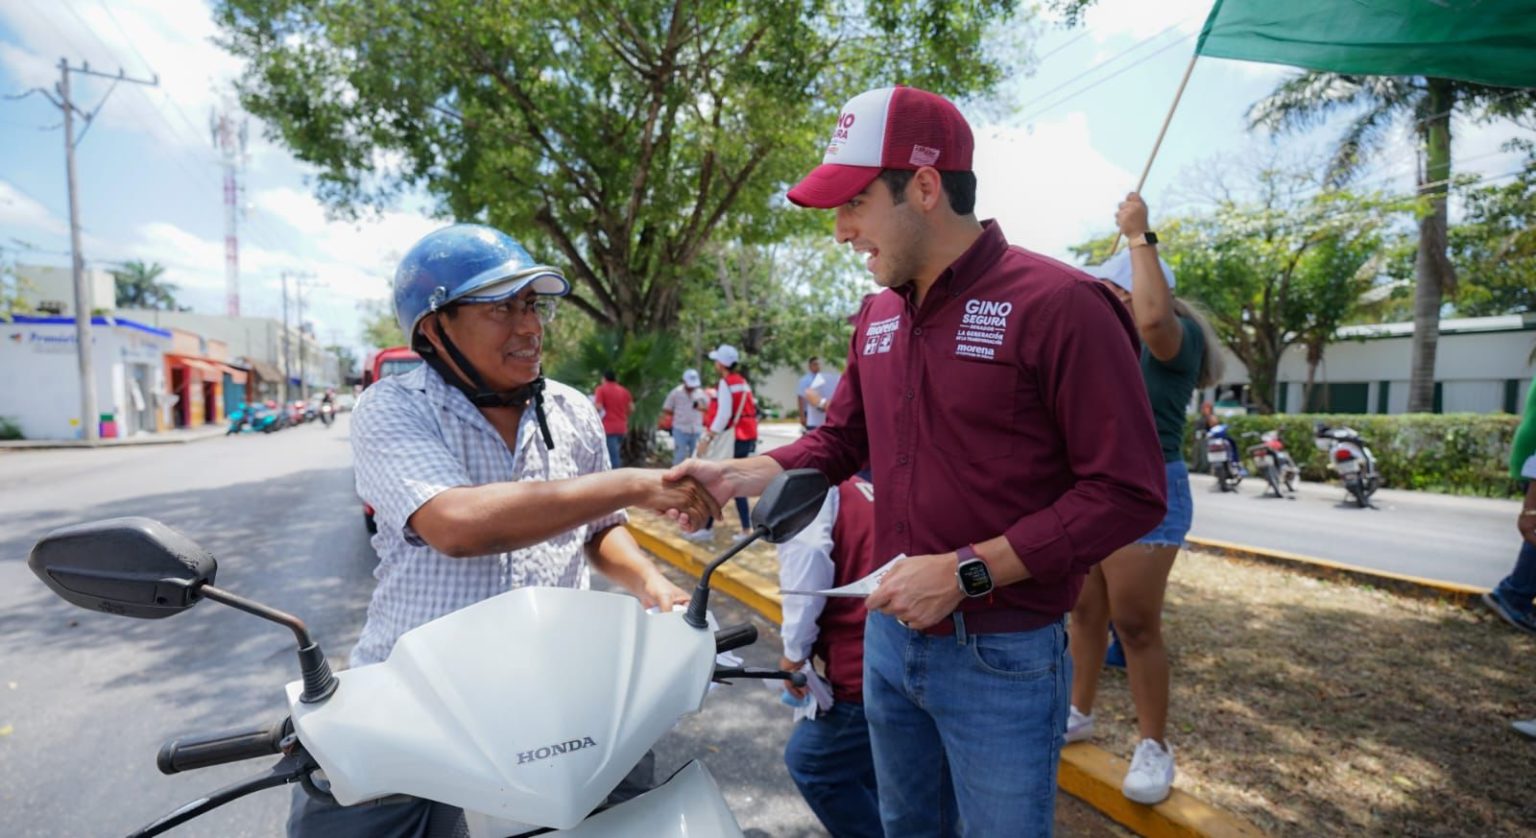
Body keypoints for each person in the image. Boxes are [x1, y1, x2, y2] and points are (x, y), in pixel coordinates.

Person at [668, 85, 1166, 836]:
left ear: (925, 187)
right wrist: (740, 474)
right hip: (890, 638)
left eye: (854, 203)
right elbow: (842, 441)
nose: (841, 231)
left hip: (1003, 655)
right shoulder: (878, 314)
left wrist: (967, 571)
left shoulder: (1060, 304)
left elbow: (1128, 493)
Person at [289, 224, 719, 836]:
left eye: (531, 305)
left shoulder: (572, 410)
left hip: (564, 691)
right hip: (418, 701)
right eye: (499, 308)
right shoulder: (395, 408)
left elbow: (599, 531)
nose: (530, 327)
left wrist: (651, 583)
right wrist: (634, 482)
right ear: (435, 329)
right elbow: (457, 524)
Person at [1070, 193, 1226, 805]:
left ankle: (1154, 746)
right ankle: (1077, 713)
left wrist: (1138, 237)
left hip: (1149, 489)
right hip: (1090, 491)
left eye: (1116, 294)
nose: (1105, 304)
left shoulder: (1172, 338)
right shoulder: (1100, 346)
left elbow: (1155, 320)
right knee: (1084, 612)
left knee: (1134, 625)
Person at [778, 473, 881, 838]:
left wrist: (794, 653)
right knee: (871, 765)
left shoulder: (822, 492)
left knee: (812, 762)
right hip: (894, 658)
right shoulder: (877, 488)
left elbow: (805, 573)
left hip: (861, 668)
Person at [690, 343, 759, 543]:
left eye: (716, 361)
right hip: (747, 435)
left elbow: (723, 415)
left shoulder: (725, 384)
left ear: (721, 364)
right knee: (732, 482)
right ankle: (736, 528)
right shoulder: (743, 382)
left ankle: (743, 530)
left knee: (725, 483)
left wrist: (707, 438)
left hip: (734, 437)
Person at [660, 368, 707, 467]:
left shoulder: (701, 393)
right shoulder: (676, 392)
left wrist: (700, 407)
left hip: (696, 429)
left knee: (696, 456)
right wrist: (678, 414)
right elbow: (666, 408)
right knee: (680, 455)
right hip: (680, 428)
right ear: (684, 381)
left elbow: (707, 408)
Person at [593, 369, 633, 468]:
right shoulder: (624, 390)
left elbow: (598, 407)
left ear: (604, 378)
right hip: (622, 427)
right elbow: (632, 408)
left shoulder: (601, 389)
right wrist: (623, 415)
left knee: (611, 456)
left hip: (608, 427)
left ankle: (614, 479)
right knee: (615, 453)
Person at [801, 357, 841, 435]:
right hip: (811, 415)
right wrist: (802, 416)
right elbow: (801, 398)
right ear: (810, 366)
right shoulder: (805, 380)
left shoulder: (824, 378)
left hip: (825, 416)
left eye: (818, 364)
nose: (817, 366)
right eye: (815, 364)